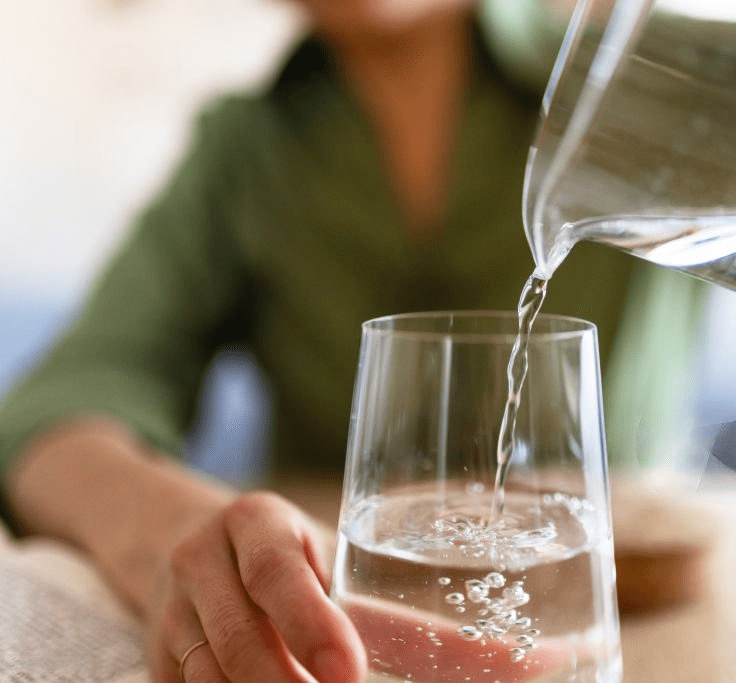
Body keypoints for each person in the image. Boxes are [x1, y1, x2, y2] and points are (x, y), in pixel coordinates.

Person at [0, 1, 668, 681]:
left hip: (656, 619)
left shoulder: (641, 88)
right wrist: (179, 531)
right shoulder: (246, 149)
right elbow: (58, 403)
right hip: (335, 650)